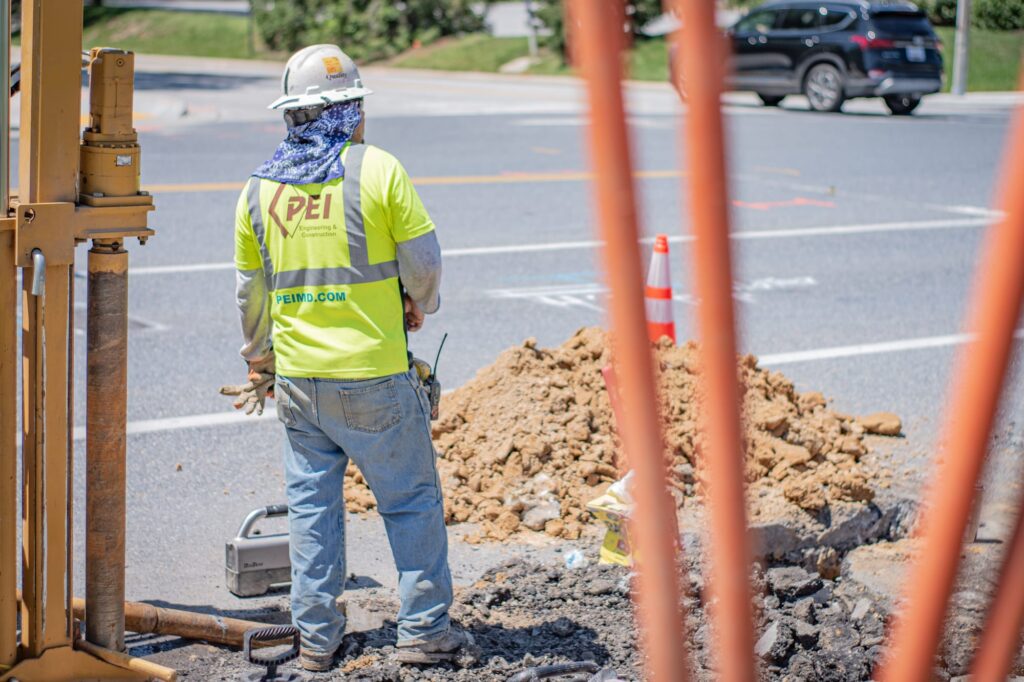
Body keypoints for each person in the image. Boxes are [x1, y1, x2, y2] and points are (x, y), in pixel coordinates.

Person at [224, 44, 465, 672]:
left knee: (312, 510)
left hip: (301, 383)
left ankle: (316, 640)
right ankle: (422, 631)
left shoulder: (258, 191)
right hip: (375, 377)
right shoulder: (377, 170)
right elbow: (426, 264)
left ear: (293, 116)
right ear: (348, 110)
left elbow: (252, 295)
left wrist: (260, 360)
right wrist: (417, 302)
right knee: (410, 501)